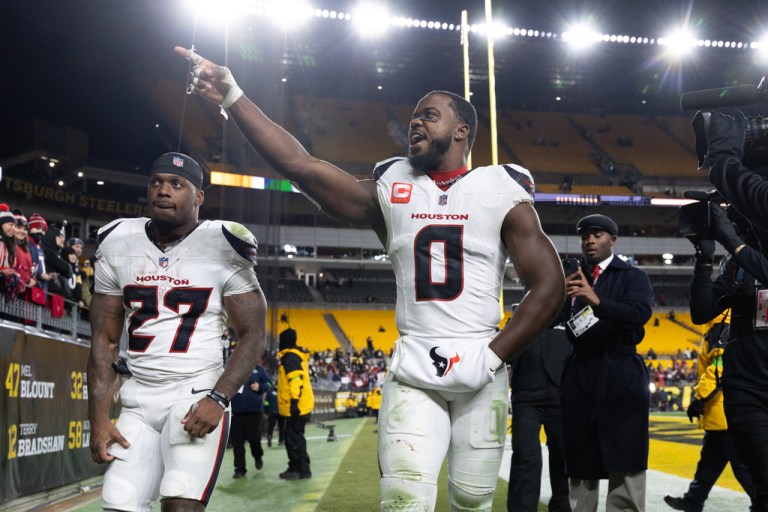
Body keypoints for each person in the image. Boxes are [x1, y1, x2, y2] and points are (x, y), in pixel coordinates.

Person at [176, 46, 564, 510]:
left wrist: (494, 355)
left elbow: (550, 285)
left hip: (483, 364)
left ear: (461, 131)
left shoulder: (500, 188)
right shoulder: (392, 188)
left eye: (430, 115)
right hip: (415, 367)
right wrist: (233, 95)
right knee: (402, 497)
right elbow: (301, 166)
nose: (415, 123)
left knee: (471, 497)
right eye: (413, 117)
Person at [87, 152, 268, 511]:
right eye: (156, 182)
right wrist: (99, 419)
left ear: (198, 196)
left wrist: (218, 399)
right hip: (138, 398)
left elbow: (253, 334)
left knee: (181, 501)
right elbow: (104, 342)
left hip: (194, 391)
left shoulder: (223, 244)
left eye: (176, 184)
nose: (163, 191)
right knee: (117, 502)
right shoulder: (118, 240)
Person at [559, 214, 654, 512]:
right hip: (581, 373)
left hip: (621, 374)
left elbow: (639, 314)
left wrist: (596, 299)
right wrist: (557, 295)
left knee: (626, 460)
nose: (589, 240)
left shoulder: (632, 276)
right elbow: (557, 321)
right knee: (581, 462)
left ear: (613, 240)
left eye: (597, 234)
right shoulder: (571, 279)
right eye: (585, 235)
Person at [686, 200, 768, 510]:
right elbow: (701, 311)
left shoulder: (743, 256)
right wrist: (704, 260)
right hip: (747, 387)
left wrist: (733, 242)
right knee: (763, 481)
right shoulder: (737, 265)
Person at [663, 323, 756, 512]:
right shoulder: (727, 323)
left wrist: (699, 398)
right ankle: (693, 500)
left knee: (743, 468)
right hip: (721, 412)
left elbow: (718, 370)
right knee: (709, 463)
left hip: (724, 411)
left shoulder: (721, 327)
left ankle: (763, 502)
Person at [508, 317, 571, 512]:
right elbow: (507, 353)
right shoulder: (522, 313)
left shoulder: (569, 311)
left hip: (561, 394)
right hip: (526, 395)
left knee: (563, 457)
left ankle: (563, 507)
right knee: (526, 458)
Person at [277, 328, 314, 480]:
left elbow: (295, 380)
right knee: (295, 437)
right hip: (301, 405)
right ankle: (300, 468)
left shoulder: (290, 357)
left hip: (296, 406)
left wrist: (293, 402)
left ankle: (299, 470)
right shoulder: (296, 355)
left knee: (293, 439)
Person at [230, 362, 272, 478]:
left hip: (253, 413)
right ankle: (239, 469)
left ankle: (258, 456)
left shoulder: (259, 370)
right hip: (236, 413)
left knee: (254, 440)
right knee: (237, 443)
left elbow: (269, 383)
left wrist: (261, 387)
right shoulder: (233, 368)